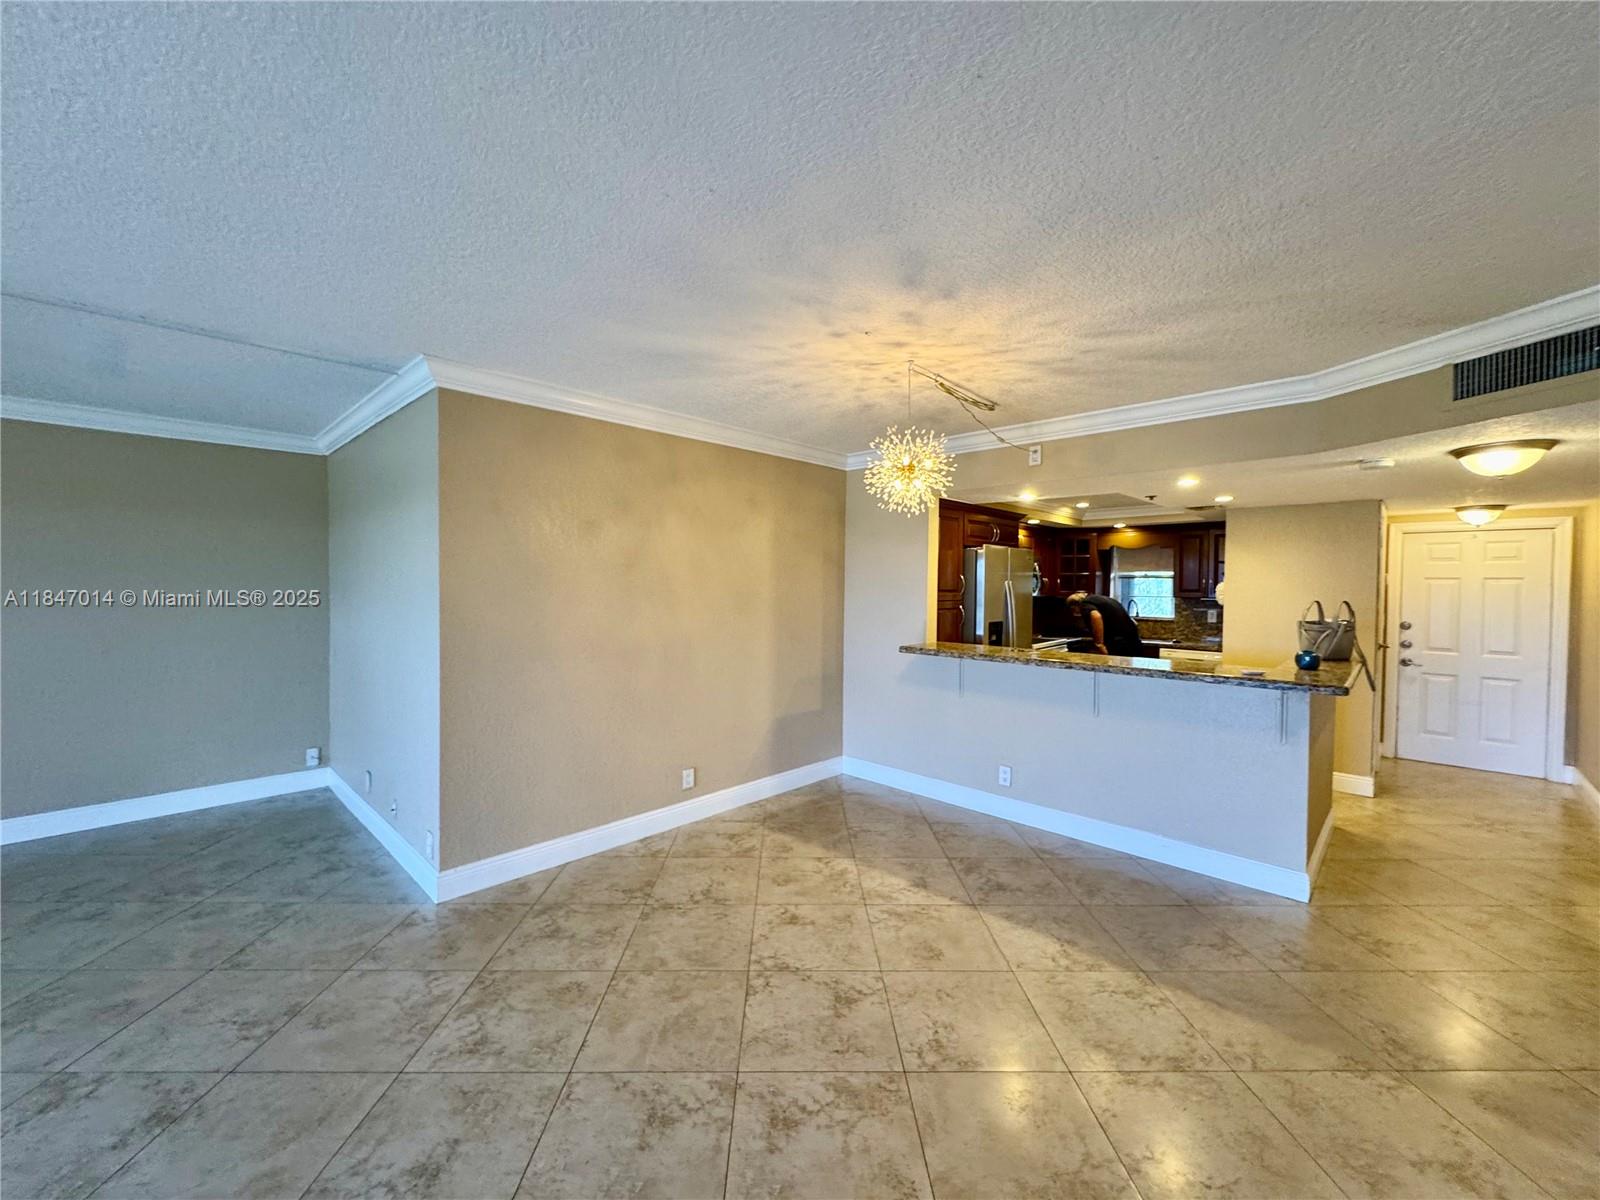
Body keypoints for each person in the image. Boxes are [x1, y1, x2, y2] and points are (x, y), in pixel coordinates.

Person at [1064, 591, 1150, 658]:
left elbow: (1096, 616)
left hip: (1119, 644)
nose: (1074, 612)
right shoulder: (1104, 599)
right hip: (1133, 642)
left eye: (1072, 609)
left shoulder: (1085, 604)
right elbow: (1134, 622)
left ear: (1075, 605)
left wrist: (1099, 644)